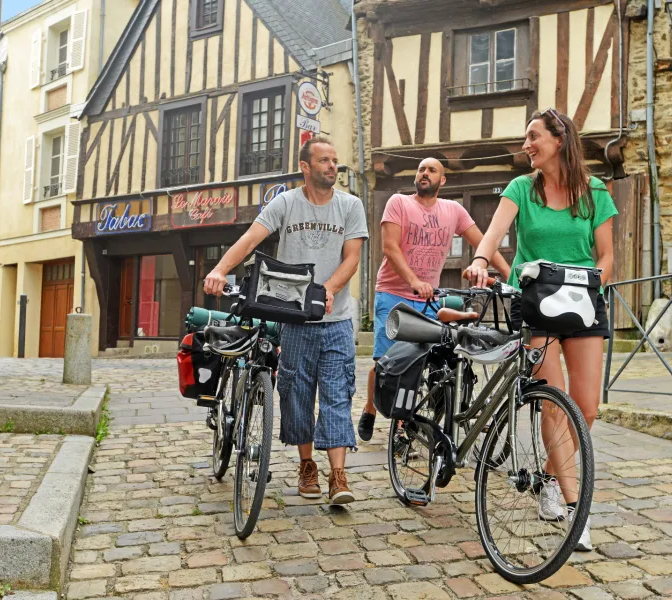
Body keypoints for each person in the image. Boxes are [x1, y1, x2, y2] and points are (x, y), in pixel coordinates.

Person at [465, 108, 617, 552]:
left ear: (559, 139)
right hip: (536, 305)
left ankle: (549, 477)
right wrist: (479, 260)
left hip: (584, 304)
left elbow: (606, 256)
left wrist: (589, 285)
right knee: (555, 405)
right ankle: (575, 510)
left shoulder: (594, 191)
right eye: (526, 137)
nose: (527, 144)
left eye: (534, 136)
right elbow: (493, 233)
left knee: (584, 408)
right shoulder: (520, 189)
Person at [204, 136, 368, 505]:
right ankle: (307, 465)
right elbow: (250, 240)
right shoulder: (286, 203)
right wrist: (219, 269)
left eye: (335, 161)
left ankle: (338, 476)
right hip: (294, 320)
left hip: (336, 319)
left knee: (337, 394)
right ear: (306, 167)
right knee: (296, 395)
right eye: (324, 161)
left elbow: (352, 258)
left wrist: (327, 289)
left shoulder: (350, 205)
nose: (332, 167)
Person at [358, 157, 510, 442]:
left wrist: (509, 274)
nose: (424, 173)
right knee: (386, 361)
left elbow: (482, 241)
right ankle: (370, 407)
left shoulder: (453, 210)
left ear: (443, 181)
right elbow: (390, 247)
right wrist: (414, 281)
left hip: (429, 298)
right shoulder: (399, 203)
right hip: (394, 293)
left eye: (432, 170)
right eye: (421, 169)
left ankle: (403, 426)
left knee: (417, 362)